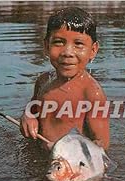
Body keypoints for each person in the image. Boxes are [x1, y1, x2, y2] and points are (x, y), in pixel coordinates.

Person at [20, 7, 109, 151]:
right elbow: (33, 107)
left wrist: (69, 152)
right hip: (42, 156)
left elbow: (101, 144)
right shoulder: (43, 80)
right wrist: (28, 116)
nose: (67, 52)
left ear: (93, 50)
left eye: (78, 44)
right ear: (46, 46)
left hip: (70, 164)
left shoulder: (91, 92)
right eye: (59, 42)